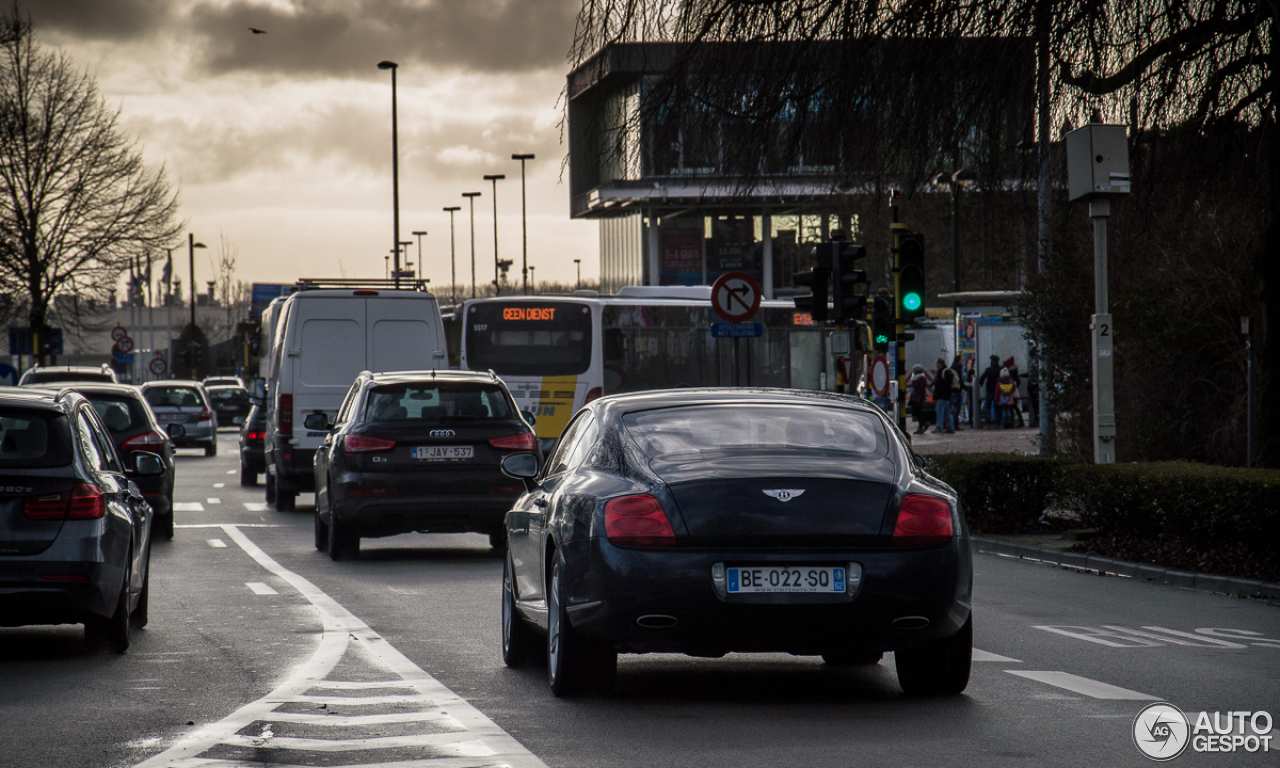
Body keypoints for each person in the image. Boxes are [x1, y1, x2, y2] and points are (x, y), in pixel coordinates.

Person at [933, 361, 957, 433]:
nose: (936, 365)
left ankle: (939, 427)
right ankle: (951, 427)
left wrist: (938, 393)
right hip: (947, 396)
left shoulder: (942, 372)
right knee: (947, 412)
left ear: (940, 363)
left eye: (937, 363)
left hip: (942, 396)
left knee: (939, 412)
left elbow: (941, 385)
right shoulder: (947, 371)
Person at [977, 354, 1002, 424]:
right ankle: (998, 422)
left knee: (988, 406)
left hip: (990, 390)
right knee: (997, 406)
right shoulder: (1000, 369)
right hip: (998, 390)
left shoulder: (989, 370)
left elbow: (982, 378)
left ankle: (988, 422)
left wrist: (980, 384)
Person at [908, 364, 929, 434]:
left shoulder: (921, 378)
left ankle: (924, 423)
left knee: (917, 412)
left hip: (918, 398)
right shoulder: (914, 377)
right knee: (915, 412)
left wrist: (919, 399)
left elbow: (921, 389)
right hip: (915, 397)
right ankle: (921, 426)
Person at [1004, 356, 1025, 427]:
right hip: (1015, 392)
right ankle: (1019, 421)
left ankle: (1015, 422)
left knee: (1013, 407)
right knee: (1015, 408)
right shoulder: (1015, 373)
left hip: (1011, 393)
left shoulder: (1010, 374)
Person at [950, 355, 965, 430]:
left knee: (953, 408)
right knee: (956, 408)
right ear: (959, 361)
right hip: (956, 391)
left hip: (952, 391)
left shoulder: (952, 368)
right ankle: (954, 424)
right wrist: (965, 388)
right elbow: (960, 381)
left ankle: (953, 424)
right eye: (961, 360)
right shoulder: (957, 369)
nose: (962, 362)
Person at [1027, 350, 1041, 428]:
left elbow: (1031, 374)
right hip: (1036, 383)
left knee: (1034, 402)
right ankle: (1037, 418)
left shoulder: (1032, 362)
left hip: (1033, 384)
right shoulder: (1037, 361)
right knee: (1036, 402)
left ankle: (1036, 419)